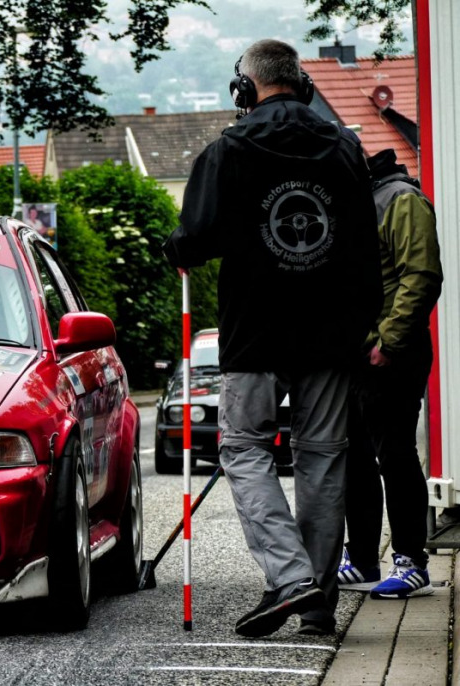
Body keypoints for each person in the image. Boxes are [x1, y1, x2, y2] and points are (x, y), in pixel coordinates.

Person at [163, 39, 383, 638]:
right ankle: (316, 603)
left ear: (245, 88)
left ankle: (290, 579)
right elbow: (367, 248)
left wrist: (176, 250)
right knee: (322, 460)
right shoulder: (343, 149)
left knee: (243, 450)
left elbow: (198, 236)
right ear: (303, 84)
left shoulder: (229, 149)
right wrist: (368, 324)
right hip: (331, 336)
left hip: (254, 333)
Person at [337, 148, 443, 599]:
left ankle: (411, 561)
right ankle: (361, 559)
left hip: (393, 354)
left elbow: (420, 274)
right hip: (358, 355)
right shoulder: (359, 198)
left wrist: (387, 342)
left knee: (394, 455)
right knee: (354, 458)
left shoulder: (400, 198)